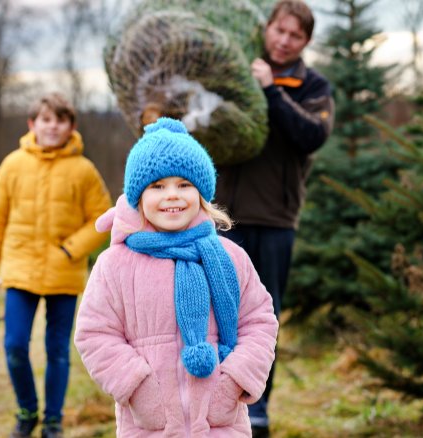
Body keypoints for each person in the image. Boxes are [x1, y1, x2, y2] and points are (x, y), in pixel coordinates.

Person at [74, 117, 279, 437]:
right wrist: (139, 389)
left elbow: (259, 321)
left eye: (184, 185)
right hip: (150, 428)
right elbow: (95, 333)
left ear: (201, 193)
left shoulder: (230, 257)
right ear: (138, 197)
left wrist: (233, 382)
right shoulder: (114, 265)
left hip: (220, 426)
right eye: (157, 186)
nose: (172, 195)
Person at [214, 1, 334, 436]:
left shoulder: (312, 85)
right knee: (217, 311)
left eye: (295, 35)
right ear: (267, 28)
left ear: (306, 41)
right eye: (279, 30)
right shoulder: (236, 69)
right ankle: (214, 403)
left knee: (263, 315)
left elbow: (311, 135)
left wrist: (271, 91)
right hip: (224, 217)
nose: (284, 41)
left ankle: (257, 407)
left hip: (276, 219)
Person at [0, 92, 112, 438]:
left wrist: (70, 250)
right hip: (19, 271)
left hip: (64, 272)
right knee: (15, 345)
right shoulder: (12, 165)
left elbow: (101, 219)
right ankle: (26, 412)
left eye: (60, 120)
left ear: (71, 126)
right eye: (46, 120)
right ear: (32, 124)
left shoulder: (84, 170)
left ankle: (53, 421)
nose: (53, 127)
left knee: (57, 352)